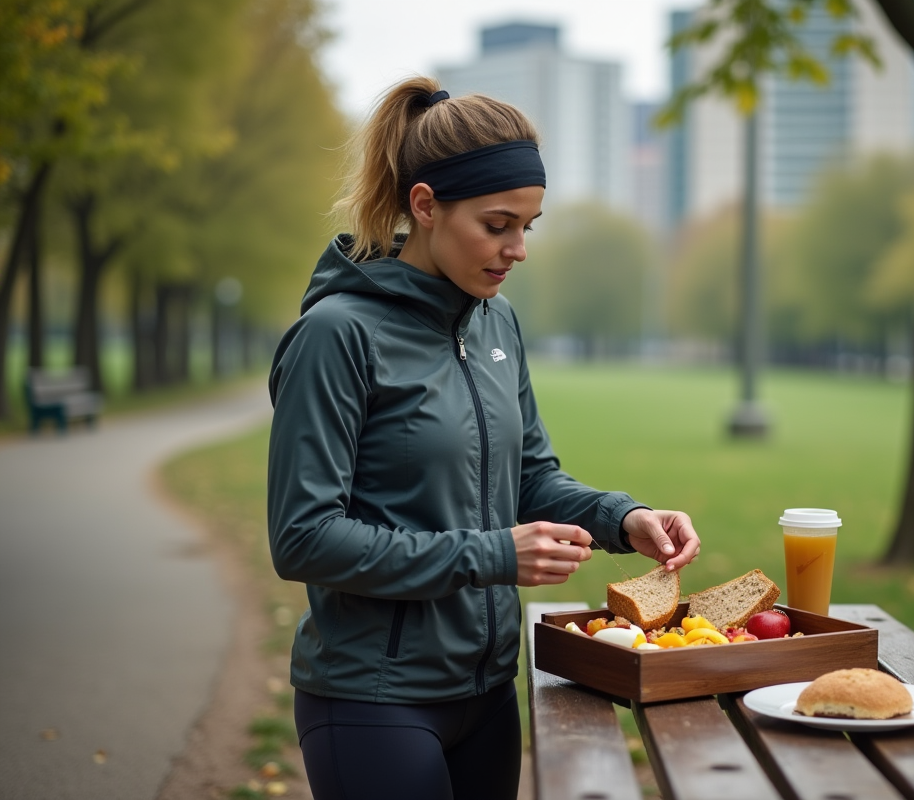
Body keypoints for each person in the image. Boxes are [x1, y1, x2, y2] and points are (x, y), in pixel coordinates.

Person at [266, 76, 701, 800]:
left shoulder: (495, 323)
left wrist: (623, 517)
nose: (518, 249)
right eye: (498, 225)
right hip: (373, 700)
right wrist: (494, 553)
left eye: (528, 225)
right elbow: (304, 538)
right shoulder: (335, 337)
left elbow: (531, 476)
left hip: (490, 691)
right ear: (426, 206)